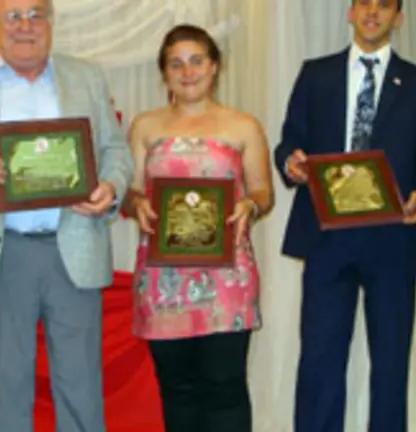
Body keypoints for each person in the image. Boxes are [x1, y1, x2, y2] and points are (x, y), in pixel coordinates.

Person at [0, 0, 133, 430]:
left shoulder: (87, 78)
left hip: (74, 246)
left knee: (80, 385)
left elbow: (115, 151)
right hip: (2, 252)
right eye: (12, 16)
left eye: (35, 14)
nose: (25, 25)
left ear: (50, 23)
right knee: (6, 387)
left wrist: (111, 187)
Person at [274, 1, 416, 431]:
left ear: (399, 18)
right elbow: (289, 143)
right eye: (364, 2)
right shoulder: (314, 75)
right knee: (319, 361)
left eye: (385, 4)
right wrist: (291, 163)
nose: (373, 11)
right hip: (326, 239)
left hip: (393, 241)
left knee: (391, 366)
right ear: (350, 13)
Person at [124, 24, 274, 432]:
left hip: (227, 277)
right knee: (177, 390)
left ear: (214, 67)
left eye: (196, 61)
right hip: (162, 278)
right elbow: (130, 193)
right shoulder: (145, 127)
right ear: (164, 73)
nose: (187, 72)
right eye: (176, 64)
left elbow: (263, 192)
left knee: (224, 388)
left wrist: (250, 206)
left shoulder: (243, 126)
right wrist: (135, 203)